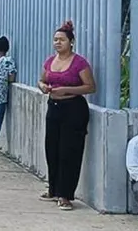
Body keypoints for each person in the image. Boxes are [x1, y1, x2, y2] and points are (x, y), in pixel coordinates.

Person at [37, 20, 95, 211]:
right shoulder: (50, 61)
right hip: (54, 107)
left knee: (68, 152)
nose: (57, 43)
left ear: (71, 42)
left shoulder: (79, 62)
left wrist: (67, 90)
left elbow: (90, 86)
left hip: (73, 108)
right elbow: (41, 79)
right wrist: (43, 87)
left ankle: (65, 194)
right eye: (55, 40)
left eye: (61, 40)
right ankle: (53, 188)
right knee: (52, 148)